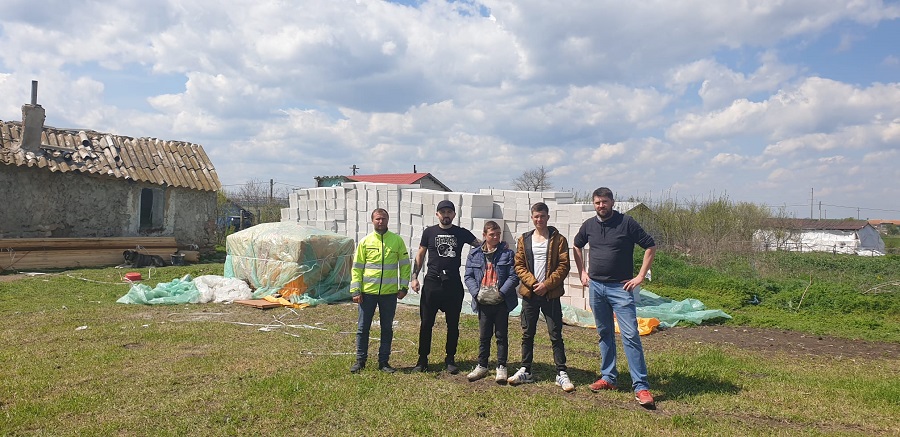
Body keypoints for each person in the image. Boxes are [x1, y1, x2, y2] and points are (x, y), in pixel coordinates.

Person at [572, 187, 657, 406]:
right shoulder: (589, 225)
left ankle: (641, 386)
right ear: (594, 204)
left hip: (621, 289)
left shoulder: (626, 223)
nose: (601, 205)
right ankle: (608, 377)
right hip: (596, 287)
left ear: (612, 202)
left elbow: (650, 246)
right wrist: (582, 272)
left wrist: (640, 276)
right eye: (597, 202)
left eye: (605, 201)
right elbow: (576, 245)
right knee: (604, 333)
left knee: (630, 335)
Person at [508, 202, 575, 392]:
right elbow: (519, 265)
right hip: (530, 293)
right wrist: (533, 283)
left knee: (555, 333)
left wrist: (546, 285)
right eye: (536, 216)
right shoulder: (524, 239)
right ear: (532, 218)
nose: (539, 220)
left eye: (542, 216)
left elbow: (563, 266)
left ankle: (561, 372)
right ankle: (525, 369)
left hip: (550, 294)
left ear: (548, 217)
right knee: (527, 333)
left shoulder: (559, 240)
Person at [410, 200, 479, 374]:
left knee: (453, 324)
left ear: (454, 214)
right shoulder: (429, 232)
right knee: (426, 323)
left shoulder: (461, 233)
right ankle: (422, 359)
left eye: (449, 212)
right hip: (432, 284)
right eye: (443, 212)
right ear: (437, 214)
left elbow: (481, 245)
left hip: (453, 285)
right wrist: (414, 277)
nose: (446, 215)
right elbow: (420, 254)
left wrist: (499, 245)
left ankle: (450, 359)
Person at [349, 208, 411, 374]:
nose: (380, 221)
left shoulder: (397, 241)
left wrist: (403, 287)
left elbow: (405, 265)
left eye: (383, 218)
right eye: (377, 219)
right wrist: (356, 290)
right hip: (367, 294)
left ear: (388, 220)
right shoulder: (365, 242)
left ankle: (384, 362)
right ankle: (360, 361)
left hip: (389, 294)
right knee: (363, 328)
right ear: (372, 221)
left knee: (387, 328)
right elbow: (357, 268)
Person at [463, 220, 519, 383]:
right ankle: (482, 365)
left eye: (498, 234)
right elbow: (468, 276)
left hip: (501, 301)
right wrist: (476, 293)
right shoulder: (474, 255)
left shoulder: (507, 254)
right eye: (492, 234)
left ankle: (501, 366)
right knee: (484, 335)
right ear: (484, 235)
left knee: (501, 335)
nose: (496, 237)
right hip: (483, 301)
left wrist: (502, 293)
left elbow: (514, 276)